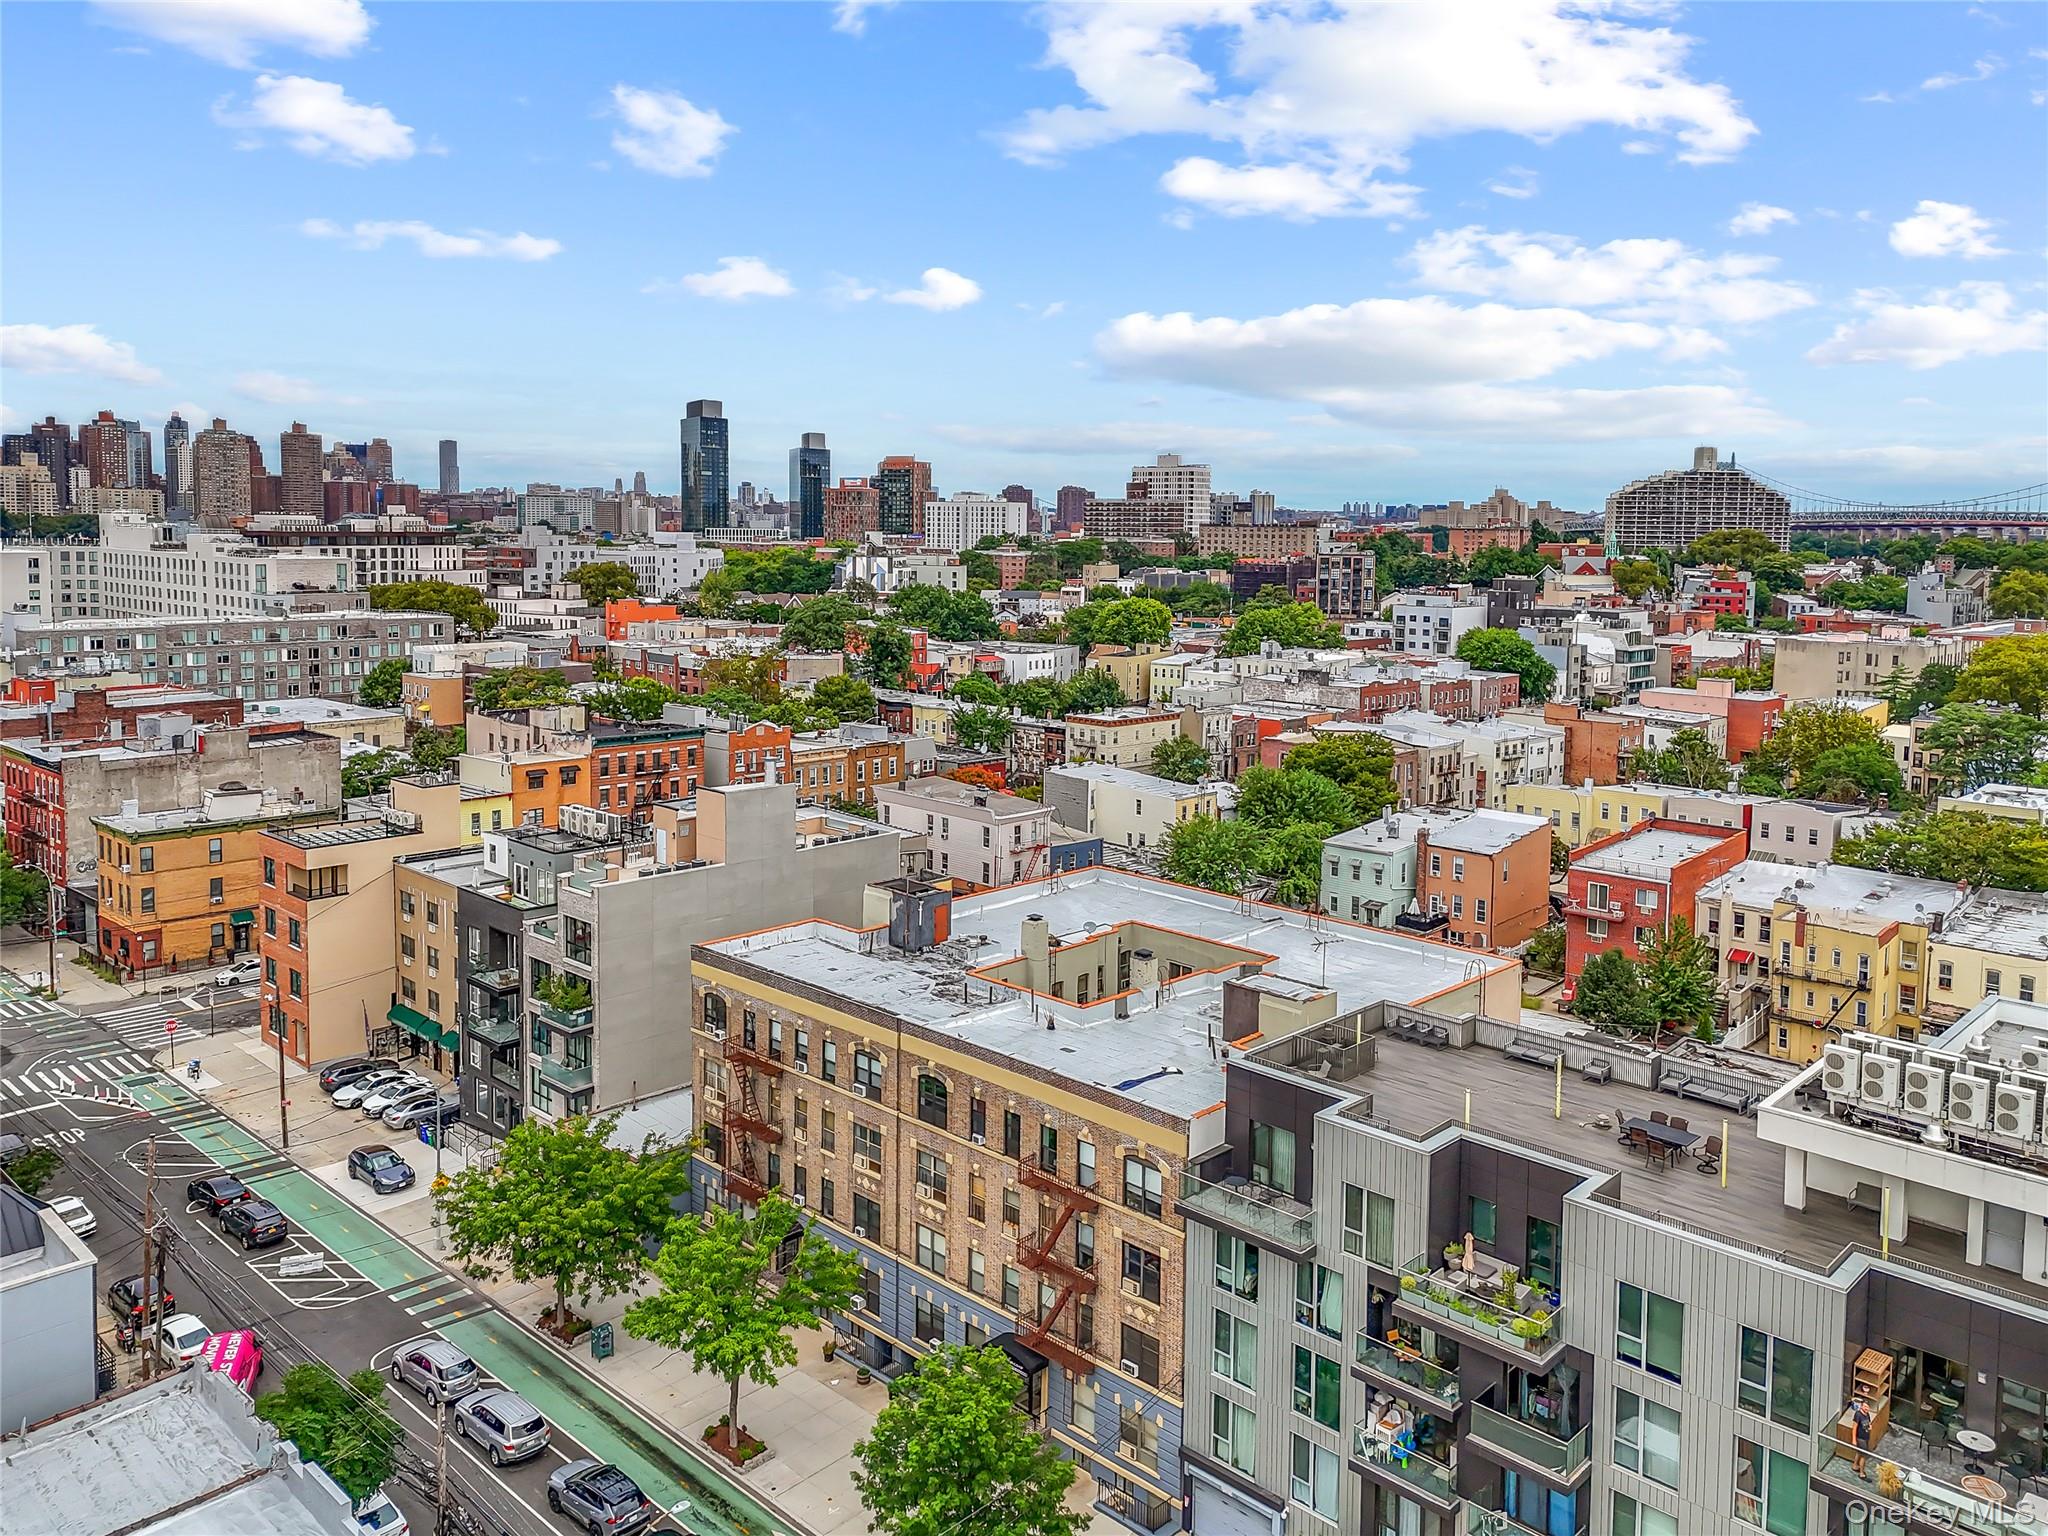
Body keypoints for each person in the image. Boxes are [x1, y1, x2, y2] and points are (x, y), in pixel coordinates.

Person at [1849, 1393, 1875, 1476]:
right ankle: (1861, 1472)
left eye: (1867, 1407)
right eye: (1865, 1406)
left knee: (1859, 1452)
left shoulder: (1867, 1414)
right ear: (1861, 1406)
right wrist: (1854, 1439)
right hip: (1860, 1438)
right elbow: (1854, 1428)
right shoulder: (1858, 1415)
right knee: (1864, 1456)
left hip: (1866, 1437)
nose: (1866, 1408)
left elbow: (1869, 1423)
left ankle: (1855, 1465)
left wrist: (1870, 1427)